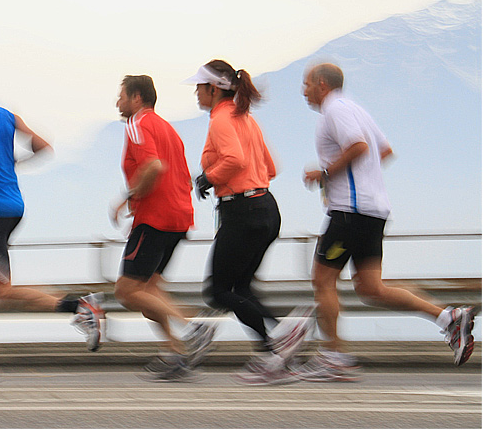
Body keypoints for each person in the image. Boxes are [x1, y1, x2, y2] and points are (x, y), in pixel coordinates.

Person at [300, 62, 476, 380]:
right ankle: (449, 318)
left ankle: (333, 357)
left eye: (307, 84)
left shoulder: (334, 110)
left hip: (350, 213)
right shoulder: (356, 109)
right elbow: (384, 150)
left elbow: (359, 146)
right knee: (371, 288)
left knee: (322, 280)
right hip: (372, 210)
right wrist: (359, 179)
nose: (304, 91)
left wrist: (326, 174)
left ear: (322, 84)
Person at [0, 57, 104, 377]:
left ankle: (80, 306)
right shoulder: (5, 114)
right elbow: (43, 145)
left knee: (1, 292)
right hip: (10, 206)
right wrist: (13, 163)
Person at [183, 60, 313, 385]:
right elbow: (271, 167)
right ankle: (274, 357)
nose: (196, 93)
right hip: (265, 208)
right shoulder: (246, 118)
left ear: (213, 89)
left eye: (199, 87)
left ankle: (281, 333)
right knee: (241, 288)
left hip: (242, 212)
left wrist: (209, 178)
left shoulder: (220, 119)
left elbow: (235, 159)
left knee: (217, 292)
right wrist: (238, 181)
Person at [111, 75, 215, 382]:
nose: (117, 102)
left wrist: (129, 197)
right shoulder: (168, 128)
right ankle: (175, 354)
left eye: (121, 96)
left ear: (137, 98)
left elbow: (154, 166)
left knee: (126, 291)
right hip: (178, 217)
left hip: (155, 218)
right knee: (150, 289)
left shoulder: (137, 123)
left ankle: (194, 328)